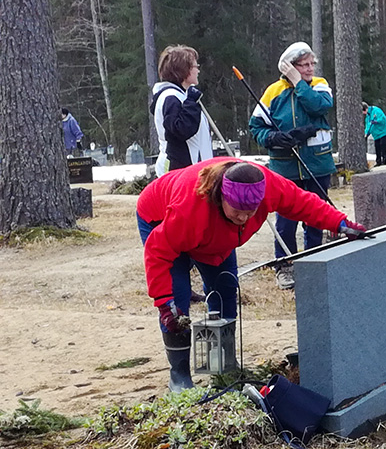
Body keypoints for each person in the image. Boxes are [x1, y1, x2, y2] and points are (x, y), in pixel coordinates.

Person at [137, 157, 365, 392]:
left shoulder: (268, 186)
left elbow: (303, 203)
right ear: (222, 197)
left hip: (215, 236)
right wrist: (164, 303)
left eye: (251, 212)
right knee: (178, 298)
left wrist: (340, 223)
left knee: (225, 288)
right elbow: (157, 252)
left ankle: (222, 365)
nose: (244, 218)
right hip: (158, 217)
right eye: (238, 212)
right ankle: (179, 374)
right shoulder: (189, 210)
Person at [248, 42, 335, 290]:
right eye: (303, 65)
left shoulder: (319, 85)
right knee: (286, 221)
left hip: (317, 164)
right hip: (284, 168)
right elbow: (256, 127)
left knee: (316, 217)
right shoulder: (273, 92)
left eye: (311, 64)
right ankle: (285, 266)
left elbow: (318, 106)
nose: (309, 68)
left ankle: (316, 262)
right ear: (289, 67)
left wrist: (299, 83)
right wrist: (274, 139)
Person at [150, 45, 213, 177]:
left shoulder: (180, 96)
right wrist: (191, 102)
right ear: (184, 70)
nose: (198, 71)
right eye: (196, 67)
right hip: (180, 172)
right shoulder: (171, 97)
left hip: (191, 171)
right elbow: (180, 130)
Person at [363, 102, 386, 167]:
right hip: (376, 134)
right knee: (377, 146)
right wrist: (366, 133)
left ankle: (385, 160)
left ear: (365, 109)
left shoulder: (376, 110)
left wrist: (376, 121)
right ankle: (378, 161)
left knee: (383, 145)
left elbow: (383, 119)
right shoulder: (368, 116)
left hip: (384, 131)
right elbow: (368, 126)